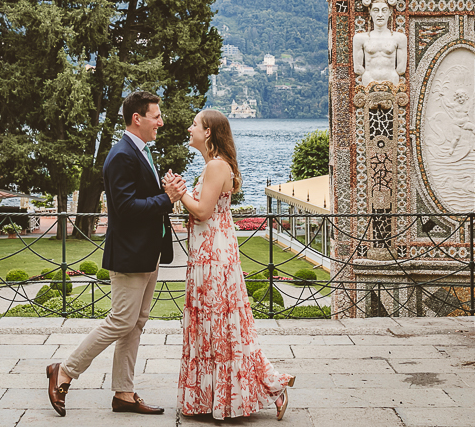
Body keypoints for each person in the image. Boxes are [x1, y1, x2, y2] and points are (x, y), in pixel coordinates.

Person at [47, 91, 187, 417]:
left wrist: (169, 191)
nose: (161, 122)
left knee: (135, 323)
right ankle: (65, 371)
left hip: (147, 253)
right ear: (137, 118)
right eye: (156, 116)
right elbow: (124, 209)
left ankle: (124, 393)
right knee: (121, 320)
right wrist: (167, 199)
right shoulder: (123, 155)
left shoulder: (141, 152)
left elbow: (144, 197)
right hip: (130, 255)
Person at [176, 109, 295, 420]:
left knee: (220, 324)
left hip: (213, 255)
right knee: (220, 325)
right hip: (210, 251)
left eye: (195, 124)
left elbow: (202, 212)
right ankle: (218, 399)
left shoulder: (216, 166)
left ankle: (271, 387)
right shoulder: (213, 166)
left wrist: (179, 193)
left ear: (209, 133)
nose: (190, 129)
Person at [352, 0, 407, 85]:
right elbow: (358, 68)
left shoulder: (399, 38)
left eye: (384, 10)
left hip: (392, 80)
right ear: (370, 12)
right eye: (376, 10)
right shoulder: (360, 38)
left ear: (390, 12)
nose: (380, 15)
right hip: (368, 81)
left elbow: (401, 69)